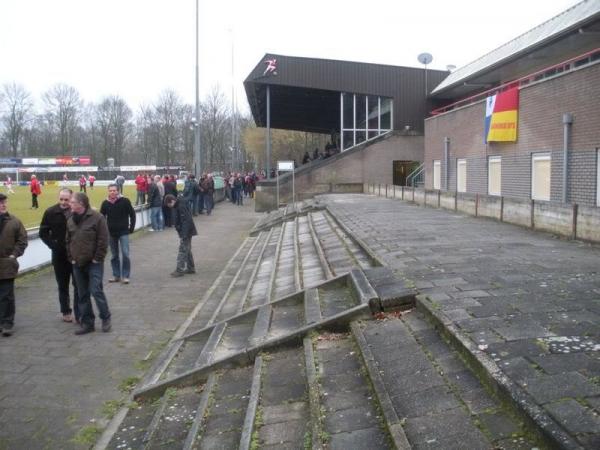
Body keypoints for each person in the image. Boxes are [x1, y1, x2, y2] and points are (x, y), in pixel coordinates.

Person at [66, 192, 111, 335]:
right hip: (77, 263)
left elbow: (103, 240)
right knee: (82, 294)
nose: (69, 204)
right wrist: (71, 257)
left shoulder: (97, 218)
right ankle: (88, 323)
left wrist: (97, 258)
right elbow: (67, 241)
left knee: (96, 290)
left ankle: (106, 318)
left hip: (94, 263)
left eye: (72, 202)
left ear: (81, 204)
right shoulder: (70, 220)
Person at [39, 188, 80, 323]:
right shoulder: (50, 212)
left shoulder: (78, 212)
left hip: (76, 255)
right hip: (59, 256)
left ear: (72, 199)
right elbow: (43, 232)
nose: (63, 202)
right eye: (61, 199)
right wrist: (53, 245)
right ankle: (66, 311)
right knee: (62, 285)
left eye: (66, 200)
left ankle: (79, 312)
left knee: (78, 284)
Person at [0, 193, 28, 337]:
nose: (3, 204)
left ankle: (7, 323)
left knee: (7, 295)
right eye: (0, 202)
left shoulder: (15, 222)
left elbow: (22, 240)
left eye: (4, 201)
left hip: (7, 264)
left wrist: (14, 255)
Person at [100, 184, 136, 284]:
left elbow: (132, 214)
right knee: (114, 255)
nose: (112, 192)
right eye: (110, 190)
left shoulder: (125, 201)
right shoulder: (105, 203)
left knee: (125, 254)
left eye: (114, 190)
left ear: (118, 191)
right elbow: (101, 218)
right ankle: (116, 275)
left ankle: (125, 276)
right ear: (108, 191)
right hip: (111, 233)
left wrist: (131, 228)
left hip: (123, 231)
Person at [164, 194, 196, 277]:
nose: (170, 207)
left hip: (186, 232)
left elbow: (185, 220)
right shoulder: (179, 204)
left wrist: (183, 234)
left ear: (172, 201)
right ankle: (191, 268)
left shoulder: (180, 205)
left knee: (182, 250)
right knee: (187, 249)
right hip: (187, 230)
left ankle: (179, 270)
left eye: (169, 205)